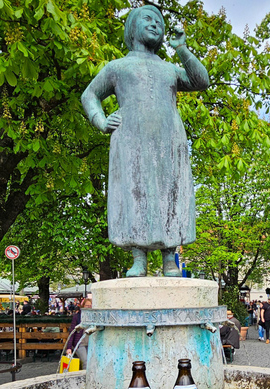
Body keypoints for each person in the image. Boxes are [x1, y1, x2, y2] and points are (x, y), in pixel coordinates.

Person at [81, 5, 209, 277]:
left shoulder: (169, 69)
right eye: (147, 19)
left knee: (171, 193)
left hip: (169, 141)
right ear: (132, 28)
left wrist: (182, 49)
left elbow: (201, 80)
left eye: (159, 22)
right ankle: (138, 257)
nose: (155, 24)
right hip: (130, 139)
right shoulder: (117, 67)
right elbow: (89, 95)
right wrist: (100, 120)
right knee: (133, 192)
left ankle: (169, 257)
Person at [66, 298, 92, 369]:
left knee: (91, 362)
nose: (89, 307)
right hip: (80, 344)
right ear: (83, 306)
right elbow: (72, 332)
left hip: (91, 343)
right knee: (85, 362)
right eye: (87, 305)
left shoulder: (93, 316)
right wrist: (69, 348)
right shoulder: (77, 316)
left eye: (90, 306)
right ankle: (85, 375)